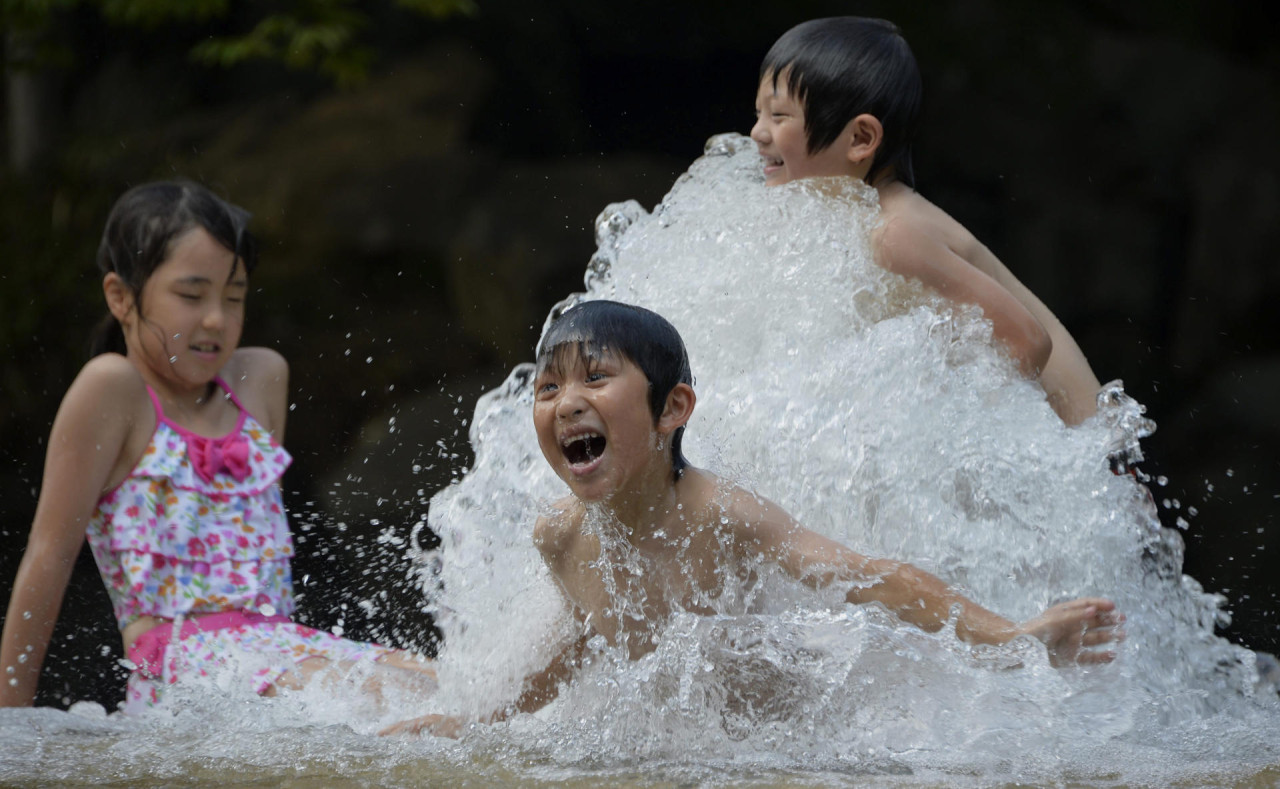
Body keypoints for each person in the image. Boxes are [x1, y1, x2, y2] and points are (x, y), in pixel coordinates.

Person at [384, 300, 1124, 737]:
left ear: (673, 408)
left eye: (596, 377)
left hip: (787, 739)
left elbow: (873, 580)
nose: (565, 401)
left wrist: (1010, 637)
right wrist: (480, 722)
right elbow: (578, 640)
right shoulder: (561, 534)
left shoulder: (723, 515)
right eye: (547, 387)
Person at [0, 180, 437, 714]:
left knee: (452, 687)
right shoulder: (113, 390)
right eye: (191, 295)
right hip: (182, 665)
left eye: (234, 298)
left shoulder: (260, 378)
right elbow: (49, 555)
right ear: (121, 297)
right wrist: (10, 718)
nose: (216, 318)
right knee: (388, 703)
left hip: (280, 646)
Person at [751, 16, 1102, 425]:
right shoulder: (856, 217)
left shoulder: (894, 234)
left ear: (860, 139)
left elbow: (1029, 342)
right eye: (758, 113)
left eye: (779, 116)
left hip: (1095, 451)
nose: (758, 133)